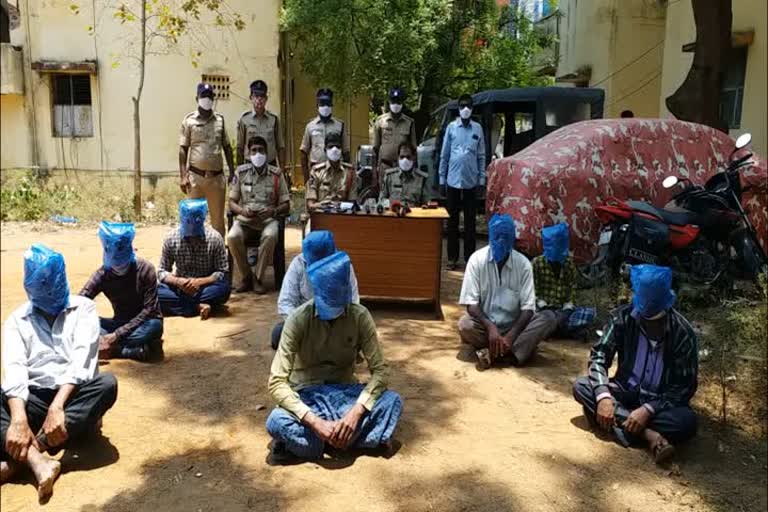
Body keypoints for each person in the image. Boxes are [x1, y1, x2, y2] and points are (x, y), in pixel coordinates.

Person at [1, 245, 118, 501]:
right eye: (42, 283)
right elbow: (15, 368)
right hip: (33, 400)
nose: (49, 288)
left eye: (52, 281)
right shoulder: (16, 320)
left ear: (62, 276)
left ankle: (26, 453)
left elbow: (81, 362)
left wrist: (57, 406)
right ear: (29, 285)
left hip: (72, 401)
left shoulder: (84, 309)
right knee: (8, 402)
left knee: (107, 384)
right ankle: (37, 461)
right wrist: (19, 419)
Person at [265, 252, 402, 463]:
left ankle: (314, 444)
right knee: (276, 421)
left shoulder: (360, 316)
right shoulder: (298, 319)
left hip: (346, 395)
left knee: (393, 401)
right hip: (307, 396)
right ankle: (354, 440)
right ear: (316, 292)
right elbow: (276, 382)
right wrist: (315, 422)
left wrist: (355, 413)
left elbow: (381, 372)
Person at [572, 265, 698, 464]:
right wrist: (604, 397)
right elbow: (599, 356)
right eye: (645, 319)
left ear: (667, 306)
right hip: (624, 391)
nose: (650, 325)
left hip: (659, 404)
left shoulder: (683, 333)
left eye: (657, 320)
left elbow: (684, 387)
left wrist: (648, 409)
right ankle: (649, 435)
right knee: (582, 386)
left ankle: (617, 421)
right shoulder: (622, 317)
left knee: (687, 422)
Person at [458, 214, 558, 371]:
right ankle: (513, 353)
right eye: (497, 237)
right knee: (465, 325)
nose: (500, 242)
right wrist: (491, 327)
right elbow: (471, 304)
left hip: (515, 327)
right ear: (490, 237)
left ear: (512, 239)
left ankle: (494, 352)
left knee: (548, 318)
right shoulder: (476, 260)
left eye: (505, 238)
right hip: (486, 326)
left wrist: (511, 336)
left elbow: (528, 308)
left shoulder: (523, 264)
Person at [80, 221, 164, 362]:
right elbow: (82, 300)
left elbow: (149, 310)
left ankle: (109, 349)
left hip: (143, 324)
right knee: (88, 322)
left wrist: (116, 336)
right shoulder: (102, 274)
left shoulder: (145, 269)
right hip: (119, 322)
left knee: (155, 326)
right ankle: (132, 351)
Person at [272, 231, 360, 349]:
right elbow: (285, 302)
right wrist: (302, 326)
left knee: (357, 337)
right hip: (305, 323)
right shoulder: (298, 263)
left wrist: (338, 327)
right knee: (278, 335)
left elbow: (353, 303)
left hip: (336, 323)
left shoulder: (344, 266)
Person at [227, 136, 291, 294]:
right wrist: (242, 211)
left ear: (267, 153)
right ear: (248, 153)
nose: (257, 154)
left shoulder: (276, 174)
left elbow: (286, 204)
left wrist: (273, 211)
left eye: (261, 150)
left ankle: (258, 277)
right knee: (232, 237)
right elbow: (231, 202)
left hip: (268, 220)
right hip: (245, 220)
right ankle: (246, 276)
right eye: (254, 150)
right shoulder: (241, 173)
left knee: (270, 236)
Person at [178, 82, 236, 237]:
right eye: (203, 96)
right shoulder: (189, 121)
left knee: (217, 222)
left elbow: (227, 148)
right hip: (195, 179)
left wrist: (232, 171)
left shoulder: (220, 121)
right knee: (193, 220)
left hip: (216, 179)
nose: (207, 99)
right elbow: (183, 149)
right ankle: (193, 257)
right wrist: (183, 176)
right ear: (197, 98)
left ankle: (217, 257)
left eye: (210, 96)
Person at [157, 198, 231, 320]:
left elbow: (222, 271)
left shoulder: (215, 238)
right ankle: (197, 306)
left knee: (224, 289)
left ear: (202, 220)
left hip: (205, 286)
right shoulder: (171, 238)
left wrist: (200, 281)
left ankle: (185, 306)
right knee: (154, 292)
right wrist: (178, 282)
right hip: (180, 286)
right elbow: (162, 271)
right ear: (182, 219)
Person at [439, 93, 486, 271]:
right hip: (452, 181)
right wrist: (441, 179)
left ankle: (469, 260)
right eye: (462, 105)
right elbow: (444, 155)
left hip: (471, 182)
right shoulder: (451, 128)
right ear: (458, 108)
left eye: (468, 105)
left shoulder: (478, 129)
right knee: (451, 222)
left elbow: (481, 156)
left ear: (472, 108)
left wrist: (482, 180)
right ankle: (452, 258)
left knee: (470, 223)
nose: (465, 108)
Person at [531, 223, 595, 341]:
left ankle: (553, 330)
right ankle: (562, 331)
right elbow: (533, 289)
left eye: (559, 245)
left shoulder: (568, 264)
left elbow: (572, 287)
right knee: (536, 317)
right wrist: (542, 304)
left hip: (563, 310)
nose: (556, 248)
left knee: (588, 313)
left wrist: (568, 305)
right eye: (553, 245)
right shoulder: (537, 263)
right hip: (543, 309)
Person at [300, 88, 349, 184]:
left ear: (332, 105)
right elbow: (303, 152)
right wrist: (306, 178)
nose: (325, 107)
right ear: (317, 105)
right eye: (322, 104)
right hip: (316, 171)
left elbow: (346, 152)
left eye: (328, 103)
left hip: (336, 172)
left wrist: (347, 175)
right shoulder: (310, 126)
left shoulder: (340, 125)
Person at [372, 87, 417, 192]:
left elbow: (414, 150)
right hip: (385, 166)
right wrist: (374, 172)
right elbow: (375, 149)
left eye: (398, 101)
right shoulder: (380, 121)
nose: (396, 104)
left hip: (403, 168)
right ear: (389, 102)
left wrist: (413, 170)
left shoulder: (409, 122)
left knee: (403, 197)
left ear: (402, 102)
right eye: (393, 101)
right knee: (384, 199)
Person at [236, 80, 285, 169]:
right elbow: (240, 148)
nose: (259, 100)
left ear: (266, 99)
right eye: (256, 96)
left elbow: (280, 146)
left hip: (270, 165)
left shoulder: (273, 119)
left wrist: (282, 170)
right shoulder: (244, 120)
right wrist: (239, 170)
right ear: (251, 97)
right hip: (250, 166)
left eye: (262, 96)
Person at [305, 132, 357, 211]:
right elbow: (310, 205)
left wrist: (339, 206)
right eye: (331, 146)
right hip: (321, 216)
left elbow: (352, 203)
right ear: (325, 150)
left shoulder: (349, 172)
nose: (334, 149)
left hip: (342, 217)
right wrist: (324, 205)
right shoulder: (316, 172)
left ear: (341, 149)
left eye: (338, 147)